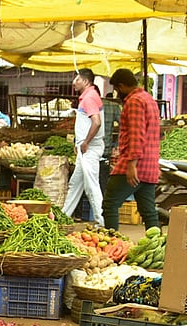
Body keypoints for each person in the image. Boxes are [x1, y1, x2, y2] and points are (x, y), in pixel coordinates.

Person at [102, 68, 161, 232]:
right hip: (150, 166)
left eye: (116, 90)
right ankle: (157, 246)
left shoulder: (134, 102)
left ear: (121, 86)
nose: (116, 93)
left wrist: (131, 164)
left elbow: (137, 134)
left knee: (110, 203)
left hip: (135, 165)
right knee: (149, 212)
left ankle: (112, 242)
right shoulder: (149, 99)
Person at [61, 69, 105, 226]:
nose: (74, 82)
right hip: (85, 148)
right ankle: (63, 217)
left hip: (89, 148)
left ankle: (101, 222)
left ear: (86, 82)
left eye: (77, 79)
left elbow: (96, 122)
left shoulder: (89, 98)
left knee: (91, 186)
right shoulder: (88, 96)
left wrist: (85, 142)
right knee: (75, 184)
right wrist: (79, 144)